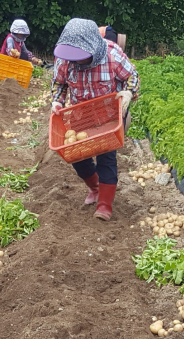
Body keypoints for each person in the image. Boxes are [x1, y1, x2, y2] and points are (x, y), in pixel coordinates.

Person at [51, 18, 140, 221]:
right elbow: (59, 83)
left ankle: (105, 204)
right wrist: (56, 102)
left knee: (106, 158)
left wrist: (128, 92)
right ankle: (95, 187)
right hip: (81, 115)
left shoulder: (112, 55)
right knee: (77, 156)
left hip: (108, 117)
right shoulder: (65, 60)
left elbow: (132, 76)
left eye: (80, 57)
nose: (75, 62)